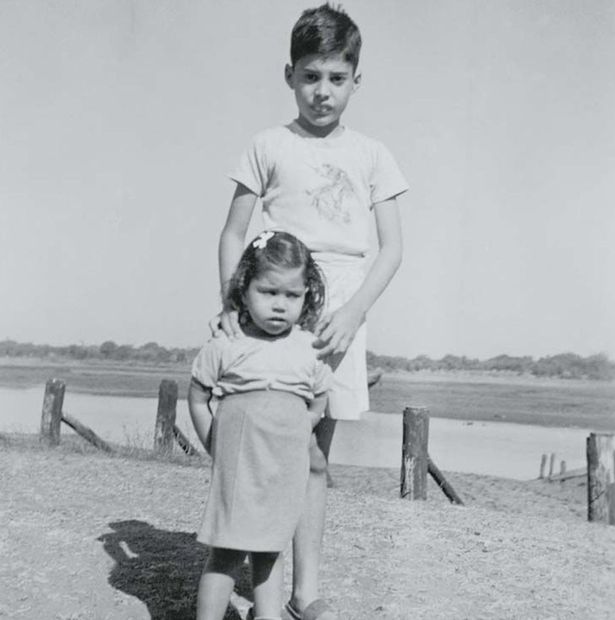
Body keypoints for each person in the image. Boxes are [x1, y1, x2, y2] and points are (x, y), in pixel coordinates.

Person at [213, 5, 408, 619]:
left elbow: (393, 247)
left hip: (338, 314)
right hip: (278, 301)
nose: (322, 91)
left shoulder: (374, 154)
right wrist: (230, 306)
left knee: (315, 455)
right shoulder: (267, 144)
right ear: (289, 74)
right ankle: (243, 573)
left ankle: (303, 592)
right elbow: (232, 233)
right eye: (310, 76)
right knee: (264, 448)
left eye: (336, 77)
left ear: (356, 80)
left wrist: (352, 314)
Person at [189, 230, 332, 620]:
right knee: (228, 548)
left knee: (271, 547)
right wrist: (212, 441)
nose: (280, 305)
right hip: (240, 461)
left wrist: (305, 423)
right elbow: (199, 395)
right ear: (243, 289)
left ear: (307, 295)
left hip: (283, 463)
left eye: (292, 295)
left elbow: (319, 395)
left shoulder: (308, 346)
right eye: (268, 292)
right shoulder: (227, 343)